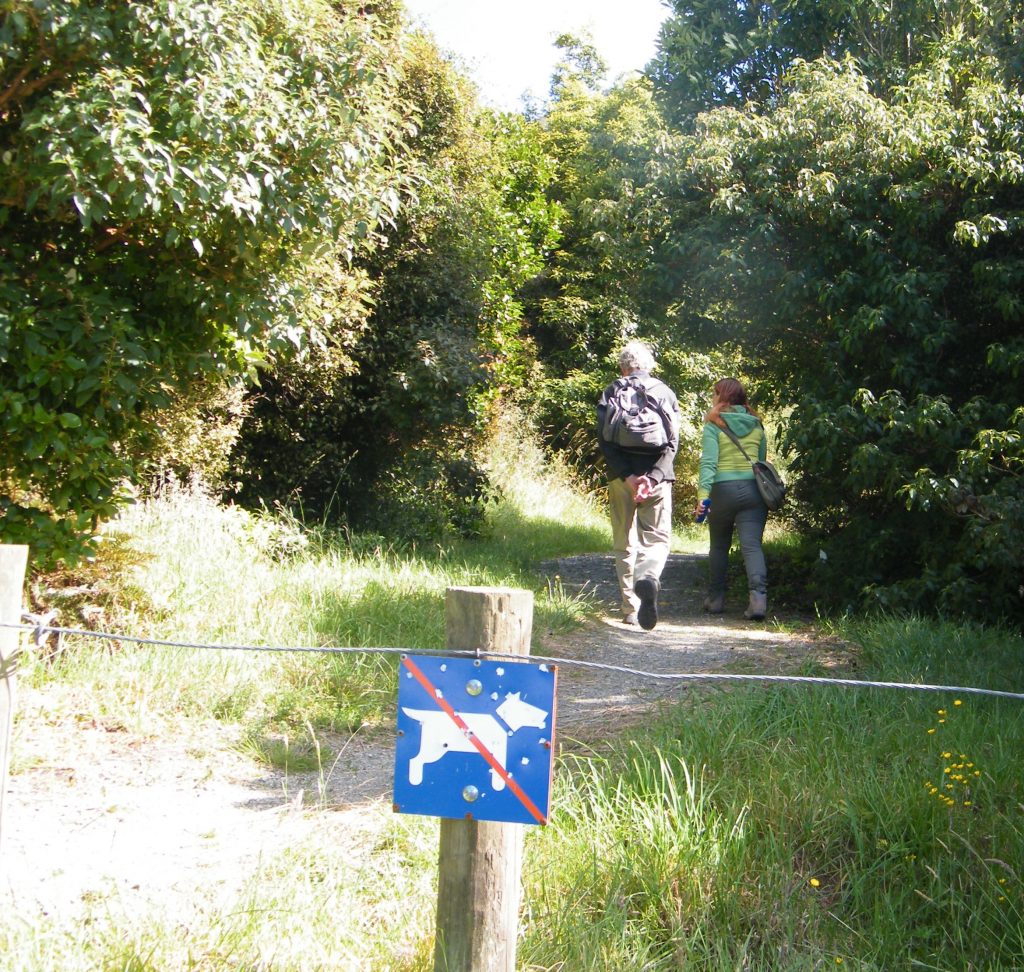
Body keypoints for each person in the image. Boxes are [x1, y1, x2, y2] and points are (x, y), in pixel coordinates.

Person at [596, 341, 680, 630]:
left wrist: (628, 476)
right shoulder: (665, 392)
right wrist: (653, 477)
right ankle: (648, 577)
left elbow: (604, 441)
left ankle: (630, 608)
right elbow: (672, 443)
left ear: (622, 367)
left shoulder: (612, 390)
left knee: (624, 542)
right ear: (649, 366)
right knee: (656, 539)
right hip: (657, 479)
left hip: (621, 480)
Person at [693, 377, 769, 620]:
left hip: (722, 491)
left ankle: (715, 599)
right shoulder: (757, 425)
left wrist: (703, 496)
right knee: (752, 546)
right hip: (753, 491)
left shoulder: (714, 424)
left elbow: (708, 463)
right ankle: (758, 601)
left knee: (718, 546)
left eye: (715, 394)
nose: (713, 399)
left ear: (721, 396)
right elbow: (761, 461)